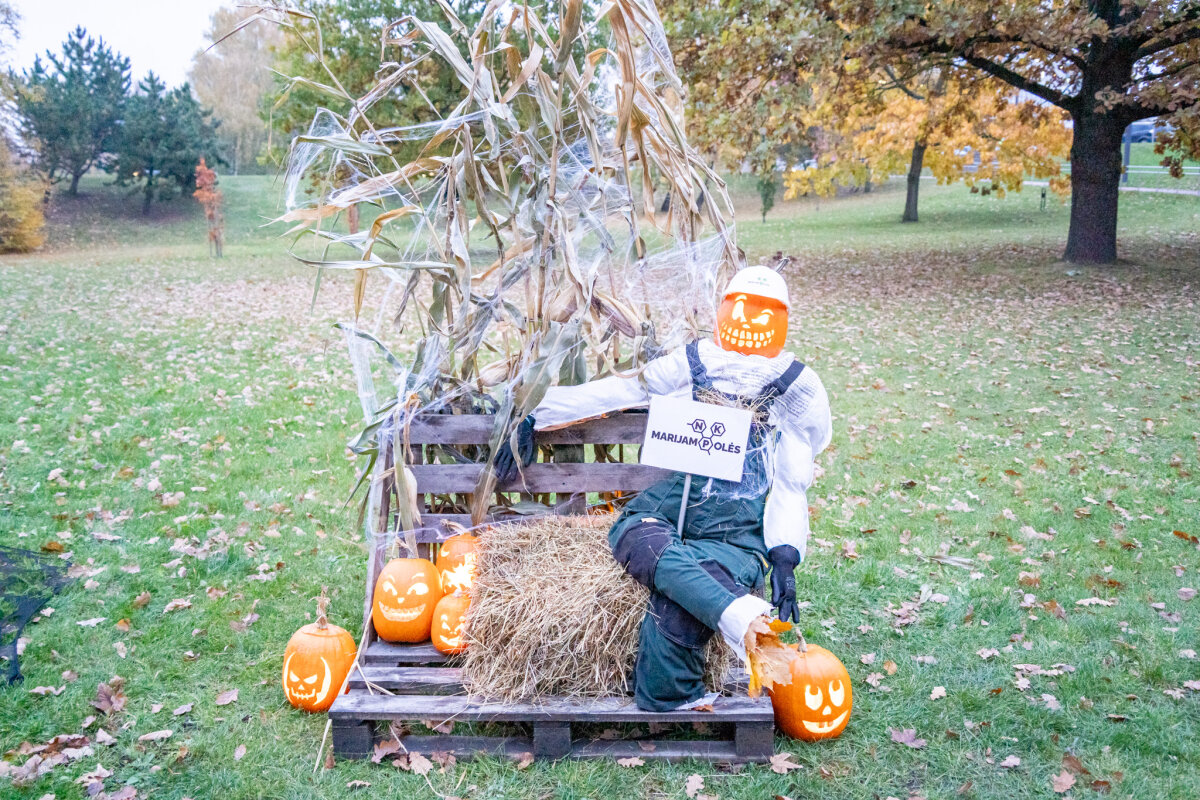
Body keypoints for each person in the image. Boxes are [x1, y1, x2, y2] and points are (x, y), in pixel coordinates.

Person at [494, 265, 832, 711]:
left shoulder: (795, 387)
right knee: (632, 531)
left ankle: (677, 688)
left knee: (663, 681)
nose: (752, 322)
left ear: (784, 318)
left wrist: (784, 557)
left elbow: (791, 480)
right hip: (674, 508)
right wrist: (537, 410)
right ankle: (739, 616)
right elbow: (620, 391)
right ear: (725, 310)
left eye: (767, 313)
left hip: (734, 533)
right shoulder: (693, 363)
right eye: (744, 309)